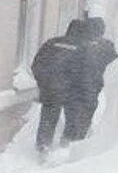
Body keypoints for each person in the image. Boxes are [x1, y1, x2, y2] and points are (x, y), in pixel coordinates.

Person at [30, 18, 87, 154]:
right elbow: (85, 73)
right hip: (71, 92)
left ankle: (43, 148)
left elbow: (36, 65)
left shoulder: (51, 43)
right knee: (73, 120)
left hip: (50, 90)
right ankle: (66, 148)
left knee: (48, 119)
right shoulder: (83, 48)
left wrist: (43, 83)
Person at [69, 16, 118, 141]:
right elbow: (114, 62)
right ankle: (79, 137)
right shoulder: (106, 45)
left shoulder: (79, 43)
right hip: (94, 85)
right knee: (87, 111)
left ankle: (70, 136)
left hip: (75, 84)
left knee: (74, 109)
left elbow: (70, 61)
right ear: (101, 30)